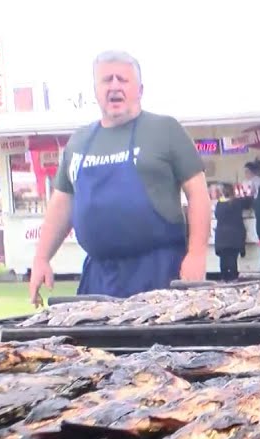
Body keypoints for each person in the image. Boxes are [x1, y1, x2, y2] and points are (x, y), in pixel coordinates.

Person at [28, 50, 209, 304]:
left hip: (161, 272)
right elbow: (62, 204)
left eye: (122, 79)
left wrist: (197, 253)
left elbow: (198, 193)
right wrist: (41, 259)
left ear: (140, 89)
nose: (114, 86)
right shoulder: (79, 141)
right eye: (106, 80)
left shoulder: (165, 130)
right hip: (98, 278)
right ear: (95, 91)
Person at [213, 184, 248, 280]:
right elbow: (249, 201)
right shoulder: (237, 202)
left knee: (223, 259)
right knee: (233, 259)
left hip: (221, 236)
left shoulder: (219, 204)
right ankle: (233, 278)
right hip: (234, 235)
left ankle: (224, 278)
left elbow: (216, 215)